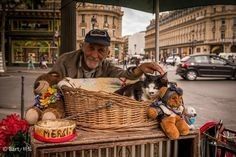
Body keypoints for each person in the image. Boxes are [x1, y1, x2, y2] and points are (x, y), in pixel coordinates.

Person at [50, 29, 165, 79]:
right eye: (91, 48)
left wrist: (140, 69)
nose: (94, 55)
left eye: (101, 51)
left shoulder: (107, 67)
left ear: (108, 53)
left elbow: (124, 75)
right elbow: (49, 82)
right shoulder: (65, 61)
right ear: (82, 47)